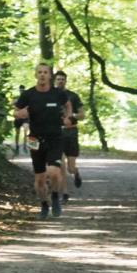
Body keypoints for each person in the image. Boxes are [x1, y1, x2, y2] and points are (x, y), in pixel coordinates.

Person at [14, 63, 71, 220]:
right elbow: (16, 111)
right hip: (34, 139)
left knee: (53, 172)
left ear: (50, 76)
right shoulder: (28, 94)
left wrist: (67, 117)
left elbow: (68, 105)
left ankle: (55, 196)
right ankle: (44, 205)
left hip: (55, 138)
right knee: (39, 179)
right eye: (39, 72)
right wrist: (19, 113)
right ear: (35, 75)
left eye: (45, 72)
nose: (42, 75)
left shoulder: (58, 93)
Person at [53, 70, 85, 202]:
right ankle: (65, 193)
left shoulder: (73, 96)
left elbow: (82, 115)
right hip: (57, 133)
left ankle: (76, 172)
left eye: (62, 79)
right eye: (58, 79)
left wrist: (72, 115)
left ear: (66, 81)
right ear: (54, 81)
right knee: (61, 165)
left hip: (71, 132)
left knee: (70, 169)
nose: (60, 81)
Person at [13, 84, 29, 155]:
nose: (21, 91)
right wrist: (15, 102)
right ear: (19, 90)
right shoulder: (16, 98)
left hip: (25, 118)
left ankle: (25, 146)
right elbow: (12, 104)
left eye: (23, 90)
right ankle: (17, 147)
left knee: (25, 131)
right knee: (17, 133)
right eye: (20, 90)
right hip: (18, 117)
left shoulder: (27, 98)